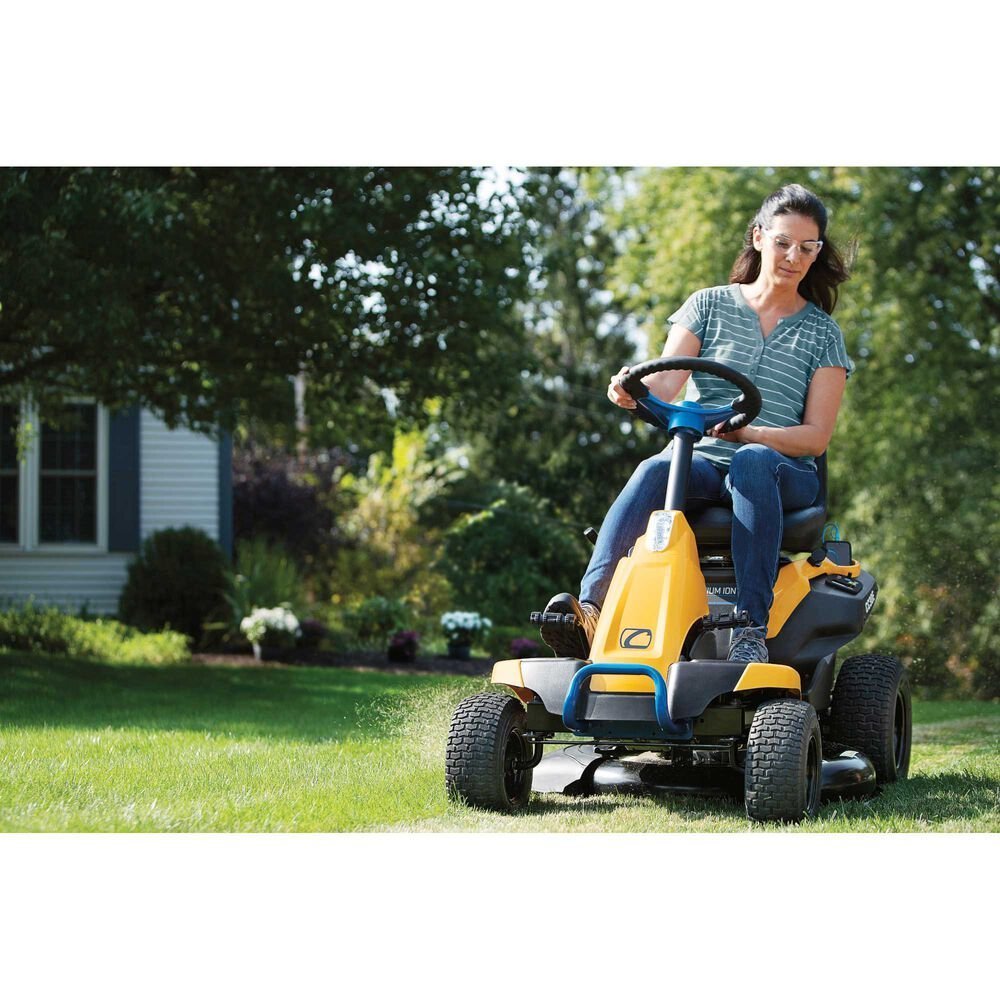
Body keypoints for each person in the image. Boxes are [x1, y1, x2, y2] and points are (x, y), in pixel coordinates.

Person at [540, 183, 855, 664]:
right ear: (758, 237)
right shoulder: (708, 305)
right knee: (656, 468)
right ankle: (590, 613)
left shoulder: (823, 333)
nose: (794, 256)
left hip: (783, 470)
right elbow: (665, 386)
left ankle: (750, 629)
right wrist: (631, 390)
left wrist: (751, 433)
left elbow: (815, 437)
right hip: (705, 462)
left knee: (752, 461)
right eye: (783, 242)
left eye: (807, 247)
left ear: (816, 252)